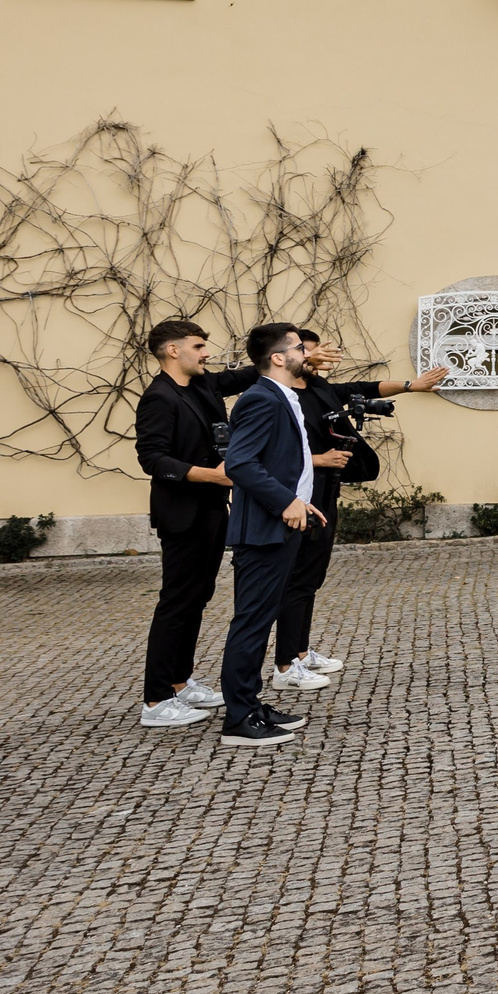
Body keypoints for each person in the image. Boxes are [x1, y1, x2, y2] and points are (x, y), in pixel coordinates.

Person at [268, 332, 447, 693]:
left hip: (326, 490)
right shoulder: (278, 397)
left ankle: (300, 653)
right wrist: (319, 459)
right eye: (306, 350)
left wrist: (412, 385)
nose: (314, 357)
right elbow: (268, 452)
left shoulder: (317, 388)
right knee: (298, 578)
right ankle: (285, 665)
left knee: (311, 577)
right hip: (300, 495)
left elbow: (366, 386)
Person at [132, 320, 259, 729]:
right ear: (172, 350)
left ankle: (179, 683)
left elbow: (248, 373)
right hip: (182, 513)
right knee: (176, 604)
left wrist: (299, 356)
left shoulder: (202, 385)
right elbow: (152, 459)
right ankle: (155, 701)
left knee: (197, 598)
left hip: (211, 509)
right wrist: (212, 475)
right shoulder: (159, 398)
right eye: (199, 346)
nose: (206, 353)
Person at [217, 324, 323, 748]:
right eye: (299, 347)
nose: (306, 352)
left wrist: (300, 500)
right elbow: (239, 464)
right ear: (279, 358)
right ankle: (239, 719)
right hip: (264, 530)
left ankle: (252, 704)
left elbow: (279, 461)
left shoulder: (283, 396)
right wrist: (285, 502)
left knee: (260, 620)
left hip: (283, 523)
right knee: (252, 622)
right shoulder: (261, 398)